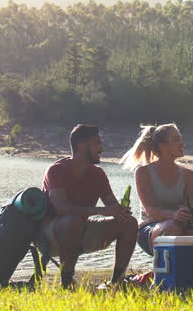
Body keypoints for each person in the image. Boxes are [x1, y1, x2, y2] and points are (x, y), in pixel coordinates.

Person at [41, 124, 138, 289]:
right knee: (73, 221)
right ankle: (67, 283)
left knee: (129, 223)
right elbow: (61, 209)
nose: (102, 148)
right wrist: (102, 211)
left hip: (81, 229)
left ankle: (116, 283)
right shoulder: (56, 170)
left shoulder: (98, 173)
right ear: (82, 146)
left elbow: (111, 205)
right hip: (51, 234)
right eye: (97, 143)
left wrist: (120, 211)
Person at [122, 123, 193, 256]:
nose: (182, 143)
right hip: (149, 228)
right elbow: (150, 210)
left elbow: (190, 209)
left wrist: (187, 215)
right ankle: (165, 272)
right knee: (173, 227)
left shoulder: (189, 175)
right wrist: (173, 215)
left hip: (178, 223)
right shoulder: (143, 172)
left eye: (181, 139)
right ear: (162, 146)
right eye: (176, 140)